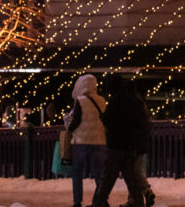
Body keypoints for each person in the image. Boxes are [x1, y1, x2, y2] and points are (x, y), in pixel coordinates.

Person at [91, 74, 154, 207]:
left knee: (107, 179)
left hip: (115, 147)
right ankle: (138, 203)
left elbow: (107, 120)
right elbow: (138, 122)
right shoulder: (132, 101)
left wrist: (103, 117)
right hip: (129, 146)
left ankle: (99, 203)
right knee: (132, 180)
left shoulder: (114, 101)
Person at [65, 74, 107, 207]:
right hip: (99, 141)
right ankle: (102, 200)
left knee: (77, 172)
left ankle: (77, 201)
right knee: (99, 174)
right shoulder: (102, 100)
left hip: (82, 142)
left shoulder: (80, 100)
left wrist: (69, 128)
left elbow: (76, 121)